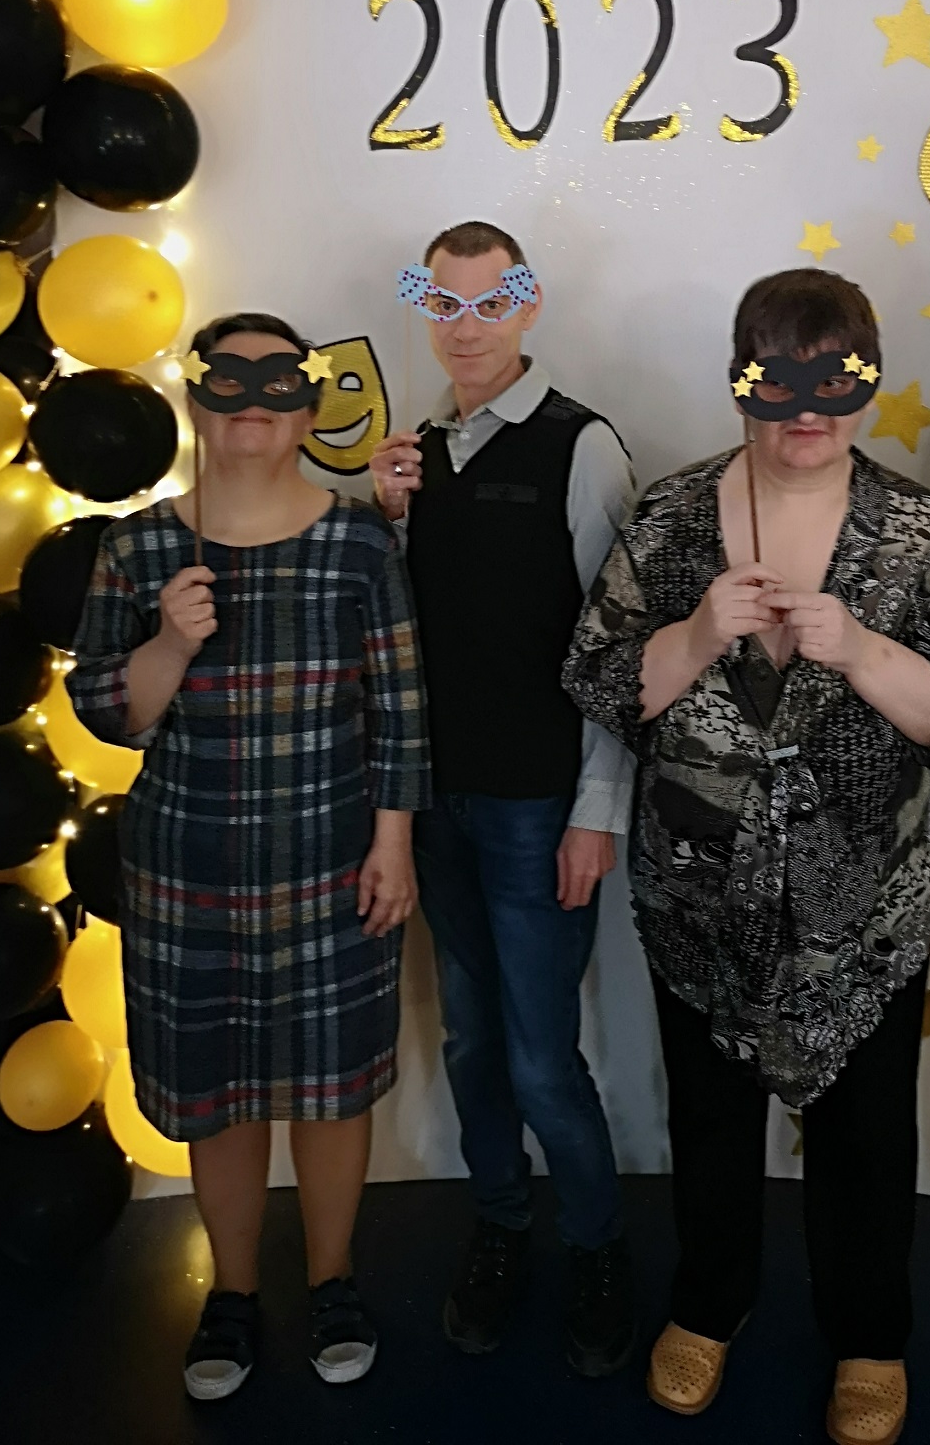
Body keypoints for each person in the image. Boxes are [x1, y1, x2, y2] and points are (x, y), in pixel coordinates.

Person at [562, 267, 930, 1444]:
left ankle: (869, 1335)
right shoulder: (669, 517)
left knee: (867, 1132)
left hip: (868, 903)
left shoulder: (917, 529)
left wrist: (859, 647)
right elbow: (599, 678)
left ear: (868, 382)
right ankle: (710, 1303)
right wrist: (697, 631)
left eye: (834, 381)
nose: (807, 410)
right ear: (739, 380)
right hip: (699, 895)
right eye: (779, 381)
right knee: (710, 1119)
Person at [68, 313, 430, 1403]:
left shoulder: (359, 541)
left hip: (333, 860)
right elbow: (110, 716)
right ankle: (230, 1290)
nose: (255, 405)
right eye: (230, 381)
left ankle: (332, 1279)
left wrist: (394, 840)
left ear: (309, 408)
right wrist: (170, 642)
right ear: (197, 399)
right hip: (188, 869)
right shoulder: (138, 545)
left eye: (279, 384)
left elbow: (401, 707)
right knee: (217, 1091)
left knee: (331, 1087)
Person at [368, 222, 638, 1377]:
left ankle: (597, 1242)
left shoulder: (583, 445)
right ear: (425, 308)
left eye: (491, 302)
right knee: (473, 1038)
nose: (467, 326)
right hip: (439, 805)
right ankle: (501, 1220)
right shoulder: (415, 453)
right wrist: (385, 520)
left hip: (539, 807)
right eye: (445, 303)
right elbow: (399, 634)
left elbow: (619, 644)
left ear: (527, 305)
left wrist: (598, 807)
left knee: (540, 1056)